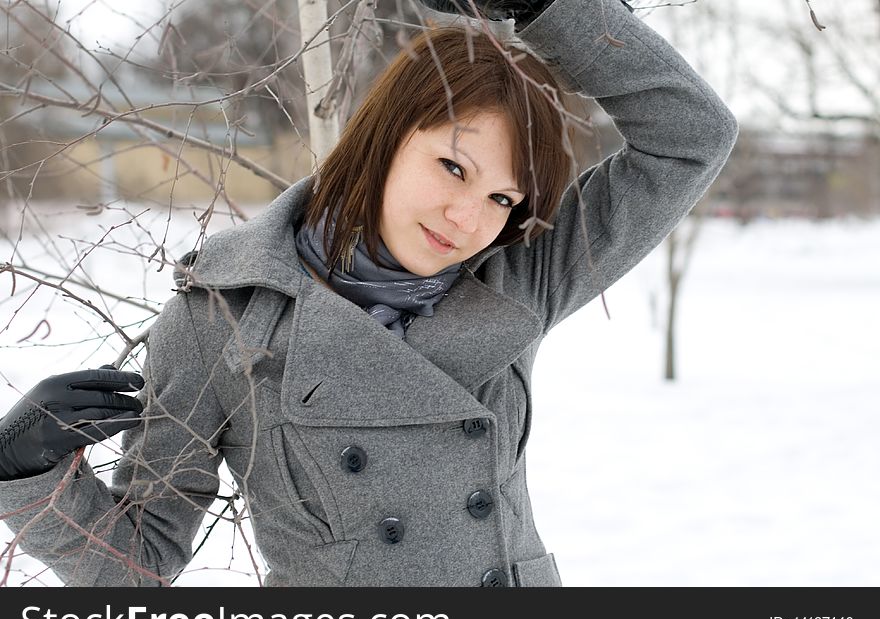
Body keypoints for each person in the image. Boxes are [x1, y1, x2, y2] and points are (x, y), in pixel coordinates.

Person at [0, 0, 737, 586]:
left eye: (503, 198)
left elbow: (691, 135)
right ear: (383, 140)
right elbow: (140, 562)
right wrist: (25, 472)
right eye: (453, 167)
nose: (468, 219)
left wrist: (549, 10)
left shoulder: (518, 282)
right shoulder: (219, 316)